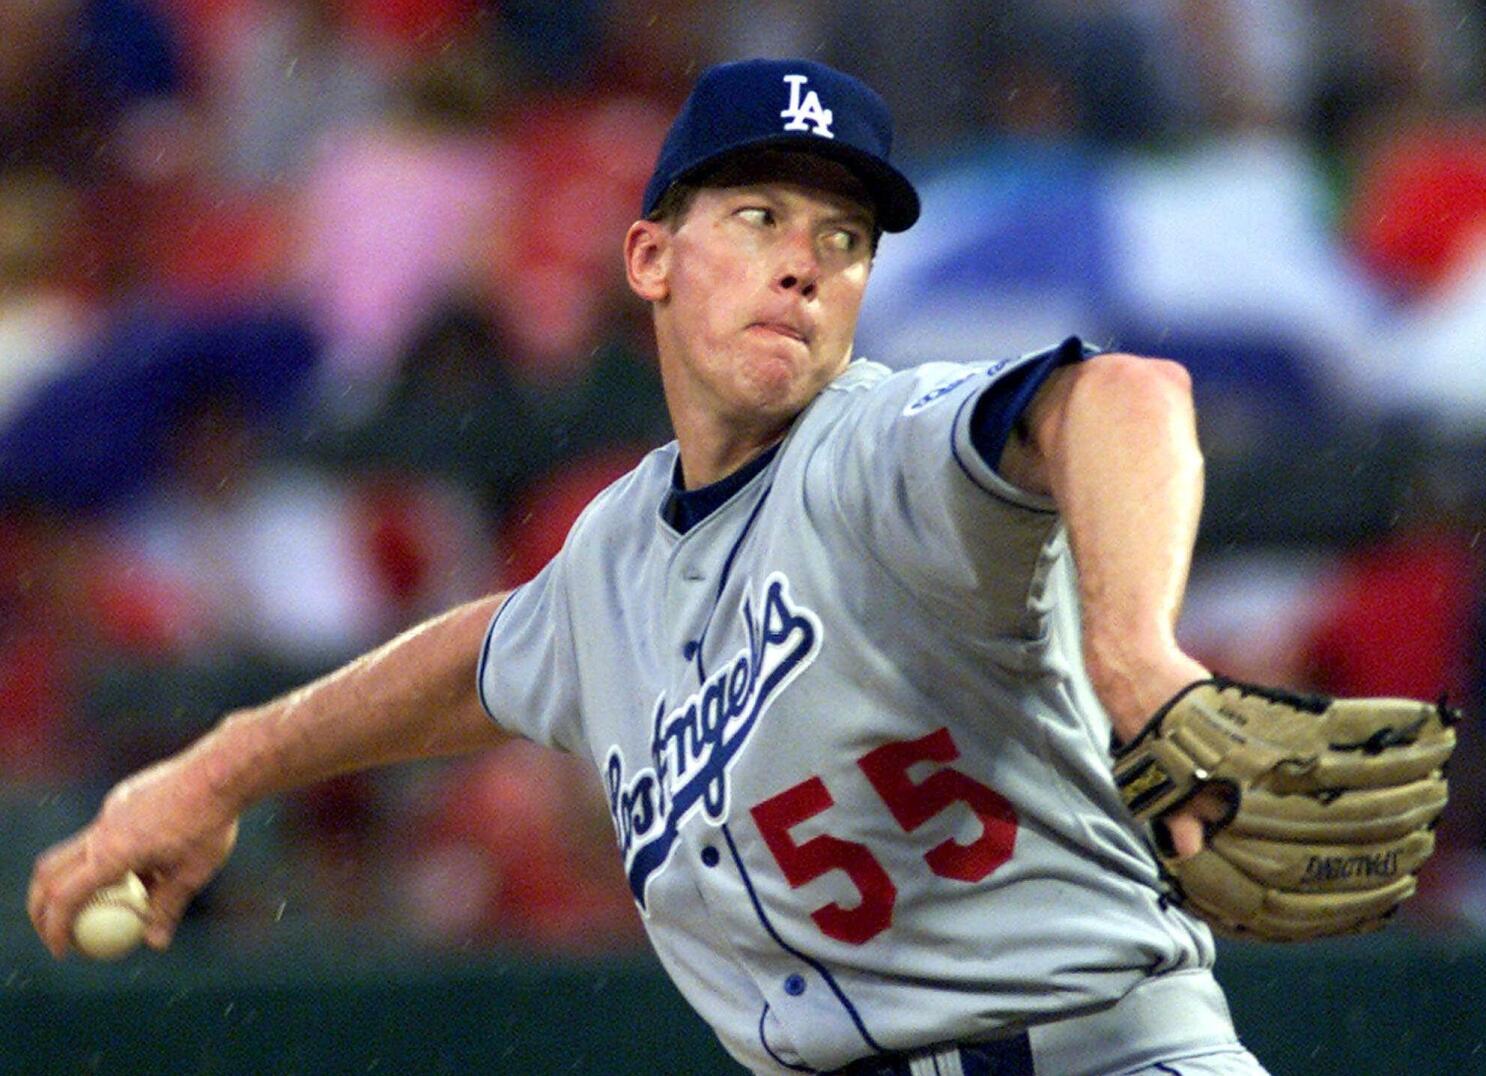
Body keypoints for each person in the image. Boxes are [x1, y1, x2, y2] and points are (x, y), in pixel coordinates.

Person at [32, 58, 1265, 1075]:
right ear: (650, 260)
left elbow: (1118, 395)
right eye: (756, 217)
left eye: (842, 236)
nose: (803, 260)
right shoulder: (612, 555)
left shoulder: (883, 449)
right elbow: (482, 655)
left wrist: (1133, 650)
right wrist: (217, 769)